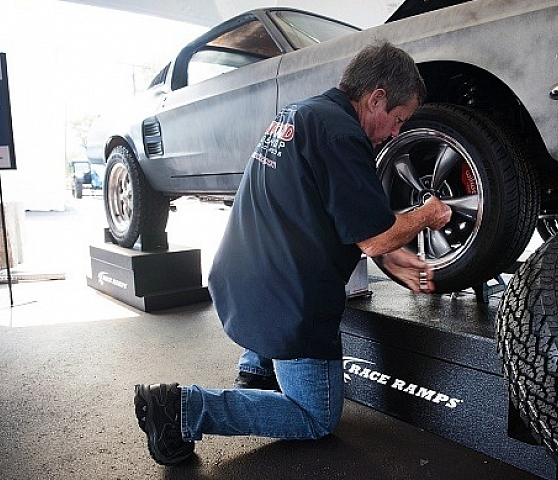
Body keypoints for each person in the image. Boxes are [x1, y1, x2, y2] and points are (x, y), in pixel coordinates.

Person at [133, 40, 452, 466]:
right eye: (398, 119)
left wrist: (390, 254)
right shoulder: (343, 136)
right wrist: (427, 214)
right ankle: (181, 408)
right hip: (286, 304)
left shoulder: (302, 114)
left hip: (239, 281)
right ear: (376, 98)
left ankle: (257, 367)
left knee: (286, 295)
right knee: (315, 415)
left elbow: (338, 220)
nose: (396, 132)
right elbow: (373, 237)